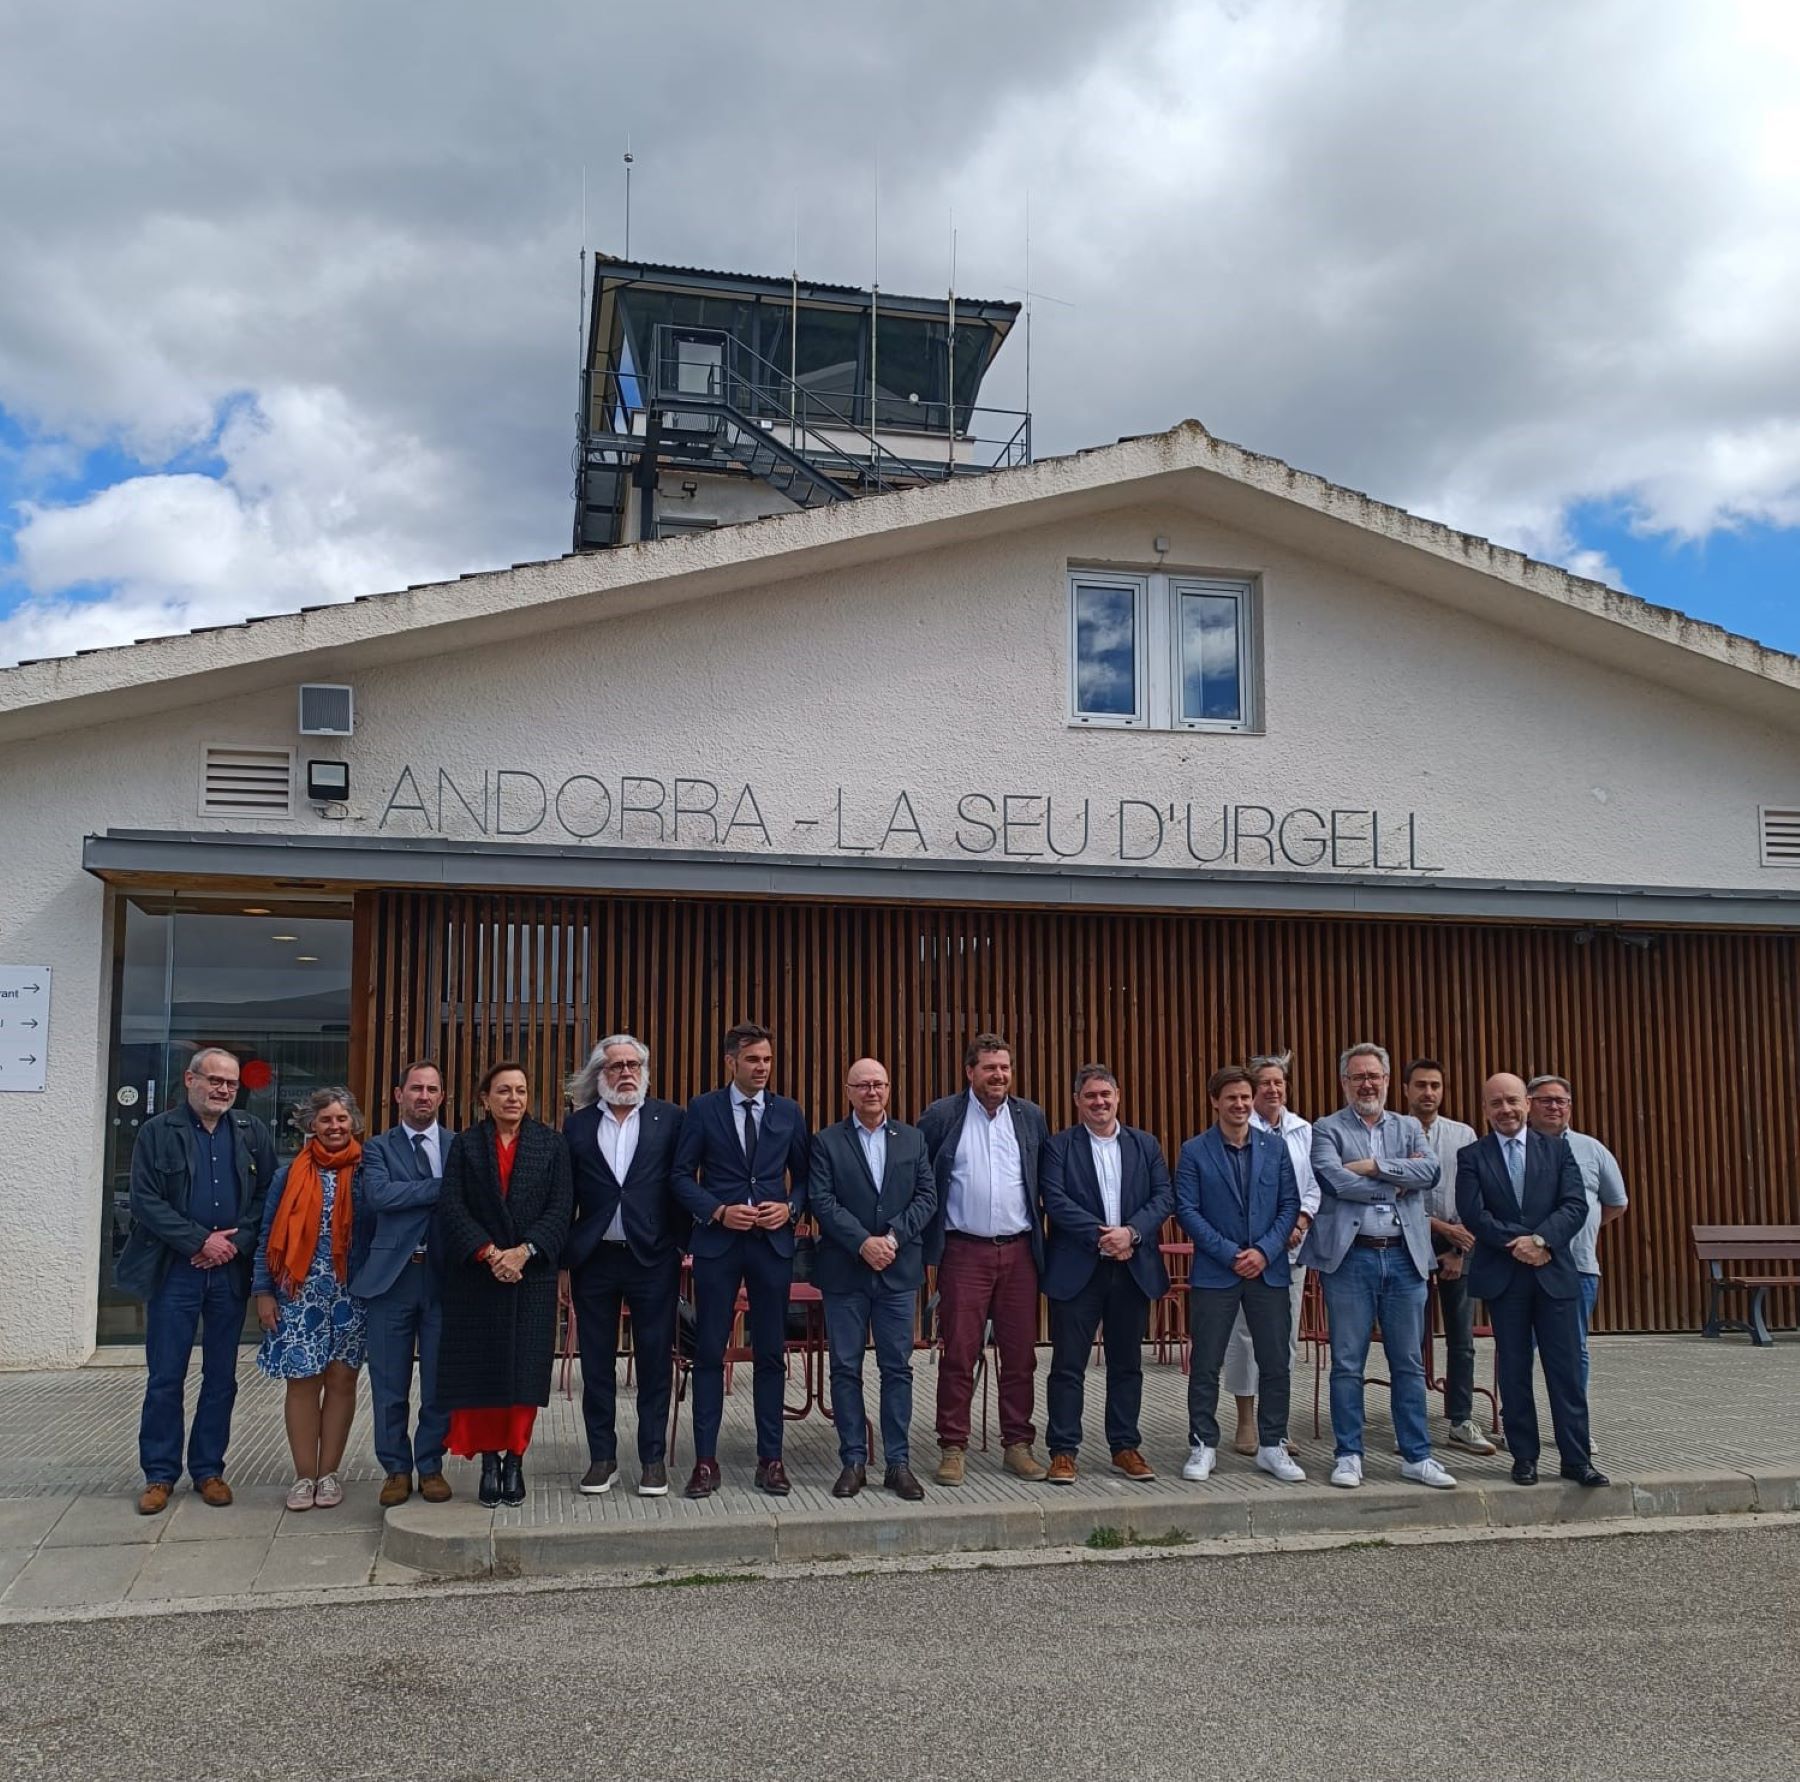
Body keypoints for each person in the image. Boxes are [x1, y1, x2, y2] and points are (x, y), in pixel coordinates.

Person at [115, 1046, 275, 1515]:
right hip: (176, 1272)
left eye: (231, 1083)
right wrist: (198, 1242)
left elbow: (267, 1193)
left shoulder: (251, 1131)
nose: (224, 1090)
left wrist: (235, 1243)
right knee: (166, 1376)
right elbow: (144, 1200)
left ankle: (209, 1469)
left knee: (221, 1376)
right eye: (215, 1080)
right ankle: (160, 1474)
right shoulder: (156, 1133)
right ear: (191, 1080)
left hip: (228, 1273)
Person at [1303, 1043, 1457, 1490]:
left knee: (1408, 1363)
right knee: (1347, 1362)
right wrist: (1395, 1182)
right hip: (1351, 1258)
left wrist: (1371, 1166)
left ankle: (1417, 1456)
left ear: (1388, 1081)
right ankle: (1349, 1454)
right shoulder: (1326, 1128)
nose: (1367, 1083)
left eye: (1374, 1076)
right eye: (1357, 1077)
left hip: (1405, 1258)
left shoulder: (1409, 1126)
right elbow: (1333, 1179)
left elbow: (1429, 1174)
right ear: (1344, 1083)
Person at [672, 1021, 812, 1499]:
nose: (762, 1068)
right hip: (718, 1245)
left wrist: (790, 1207)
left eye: (768, 1060)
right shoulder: (703, 1108)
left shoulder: (788, 1112)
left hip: (772, 1247)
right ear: (731, 1062)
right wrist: (715, 1210)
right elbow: (679, 1176)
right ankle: (706, 1462)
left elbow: (808, 1178)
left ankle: (771, 1459)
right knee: (709, 1351)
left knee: (772, 1354)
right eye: (753, 1060)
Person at [436, 1060, 573, 1507]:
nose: (513, 1098)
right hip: (478, 1277)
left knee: (524, 1376)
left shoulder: (551, 1144)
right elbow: (452, 1207)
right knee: (482, 1376)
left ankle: (515, 1460)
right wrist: (491, 1253)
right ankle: (488, 1462)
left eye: (520, 1090)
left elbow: (561, 1207)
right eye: (503, 1091)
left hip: (530, 1276)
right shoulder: (465, 1146)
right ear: (485, 1099)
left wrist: (524, 1252)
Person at [1456, 1073, 1605, 1486]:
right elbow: (1473, 1213)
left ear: (1526, 1103)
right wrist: (1519, 1243)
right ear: (1485, 1110)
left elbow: (1575, 1205)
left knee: (1567, 1370)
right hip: (1506, 1278)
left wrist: (1541, 1240)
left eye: (1512, 1101)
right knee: (1514, 1370)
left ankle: (1576, 1460)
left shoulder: (1559, 1150)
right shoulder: (1473, 1156)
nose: (1505, 1110)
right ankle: (1524, 1457)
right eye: (1496, 1104)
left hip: (1553, 1273)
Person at [916, 1032, 1050, 1486]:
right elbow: (921, 1175)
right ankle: (953, 1447)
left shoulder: (1030, 1117)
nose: (999, 1076)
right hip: (962, 1252)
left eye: (1005, 1068)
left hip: (1019, 1252)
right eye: (990, 1068)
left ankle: (1018, 1444)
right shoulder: (941, 1115)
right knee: (959, 1353)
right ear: (970, 1071)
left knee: (1020, 1356)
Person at [562, 1034, 685, 1498]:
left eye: (633, 1064)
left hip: (652, 1257)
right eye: (616, 1066)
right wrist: (562, 1261)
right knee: (596, 1364)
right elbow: (565, 1195)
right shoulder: (576, 1127)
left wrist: (680, 1243)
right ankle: (602, 1458)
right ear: (600, 1074)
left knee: (655, 1361)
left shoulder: (669, 1119)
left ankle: (652, 1459)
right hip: (594, 1259)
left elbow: (681, 1181)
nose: (626, 1072)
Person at [1039, 1064, 1174, 1485]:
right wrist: (1103, 1237)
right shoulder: (1059, 1147)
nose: (1100, 1102)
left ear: (1118, 1096)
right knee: (1067, 1366)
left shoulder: (1145, 1144)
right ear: (1077, 1101)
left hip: (1131, 1268)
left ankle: (1125, 1446)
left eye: (1106, 1094)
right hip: (1078, 1268)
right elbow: (1054, 1200)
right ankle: (1063, 1451)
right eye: (1091, 1095)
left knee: (1127, 1364)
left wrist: (1130, 1234)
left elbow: (1163, 1195)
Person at [809, 1058, 938, 1499]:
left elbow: (927, 1197)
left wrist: (894, 1238)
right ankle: (853, 1460)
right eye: (862, 1085)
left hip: (897, 1272)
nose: (871, 1092)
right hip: (845, 1271)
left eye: (878, 1084)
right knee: (845, 1368)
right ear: (848, 1091)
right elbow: (821, 1201)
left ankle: (898, 1463)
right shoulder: (827, 1142)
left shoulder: (913, 1140)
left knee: (897, 1369)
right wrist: (863, 1242)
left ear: (889, 1089)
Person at [1174, 1066, 1305, 1483]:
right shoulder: (1194, 1151)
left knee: (1275, 1362)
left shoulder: (1275, 1148)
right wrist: (1231, 1253)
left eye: (1246, 1097)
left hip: (1268, 1271)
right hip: (1218, 1271)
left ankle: (1272, 1445)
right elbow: (1188, 1211)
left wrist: (1264, 1252)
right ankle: (1202, 1444)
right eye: (1231, 1097)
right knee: (1207, 1362)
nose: (1240, 1104)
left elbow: (1289, 1204)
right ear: (1215, 1101)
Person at [253, 1087, 373, 1512]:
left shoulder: (367, 1169)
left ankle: (330, 1474)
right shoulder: (289, 1175)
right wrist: (263, 1290)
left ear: (354, 1122)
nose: (335, 1126)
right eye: (326, 1120)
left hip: (350, 1293)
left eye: (342, 1119)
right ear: (311, 1125)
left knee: (342, 1381)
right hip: (298, 1294)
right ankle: (304, 1476)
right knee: (302, 1382)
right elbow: (268, 1234)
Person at [350, 1059, 455, 1507]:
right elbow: (379, 1196)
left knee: (439, 1382)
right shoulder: (376, 1149)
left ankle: (430, 1465)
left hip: (443, 1278)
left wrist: (416, 1192)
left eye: (432, 1089)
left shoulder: (460, 1146)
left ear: (442, 1097)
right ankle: (396, 1467)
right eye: (416, 1088)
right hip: (391, 1279)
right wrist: (441, 1187)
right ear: (398, 1095)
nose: (424, 1096)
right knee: (388, 1381)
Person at [1222, 1052, 1320, 1455]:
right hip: (1248, 1253)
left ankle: (1276, 1423)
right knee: (1243, 1337)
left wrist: (1300, 1222)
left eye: (1279, 1082)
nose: (1273, 1089)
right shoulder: (1241, 1127)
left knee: (1284, 1338)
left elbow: (1314, 1184)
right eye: (1265, 1083)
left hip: (1291, 1250)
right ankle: (1245, 1422)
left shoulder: (1303, 1130)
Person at [1402, 1056, 1493, 1456]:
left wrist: (1458, 1247)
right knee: (1407, 1339)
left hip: (1459, 1243)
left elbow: (1476, 1194)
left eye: (1435, 1086)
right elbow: (1392, 1196)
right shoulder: (1392, 1134)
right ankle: (1411, 1420)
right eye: (1420, 1085)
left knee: (1461, 1338)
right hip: (1407, 1241)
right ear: (1406, 1090)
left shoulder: (1463, 1134)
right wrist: (1438, 1229)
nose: (1428, 1093)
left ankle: (1460, 1419)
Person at [1525, 1074, 1629, 1394]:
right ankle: (1513, 1418)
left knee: (1573, 1349)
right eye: (1545, 1100)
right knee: (1517, 1349)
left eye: (1561, 1101)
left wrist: (1579, 1228)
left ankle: (1575, 1424)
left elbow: (1616, 1203)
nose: (1554, 1107)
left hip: (1578, 1267)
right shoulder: (1513, 1147)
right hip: (1523, 1265)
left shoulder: (1591, 1149)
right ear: (1528, 1105)